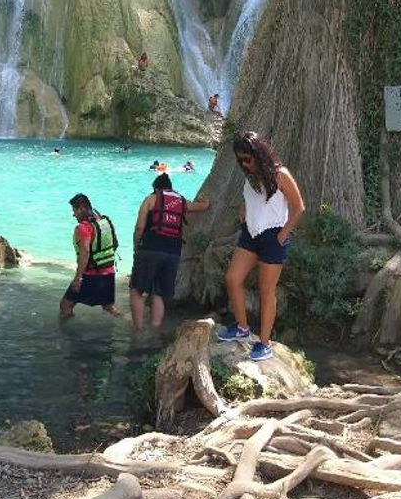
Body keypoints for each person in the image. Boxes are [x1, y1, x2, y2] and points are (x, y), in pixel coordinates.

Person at [216, 131, 305, 361]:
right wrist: (244, 210)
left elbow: (299, 207)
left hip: (274, 236)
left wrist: (283, 234)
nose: (244, 164)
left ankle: (264, 343)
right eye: (241, 160)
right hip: (251, 234)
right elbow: (252, 201)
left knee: (266, 291)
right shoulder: (250, 177)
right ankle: (242, 328)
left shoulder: (280, 174)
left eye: (248, 158)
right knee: (232, 279)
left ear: (258, 154)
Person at [130, 173, 210, 329]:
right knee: (158, 293)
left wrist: (136, 245)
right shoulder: (181, 201)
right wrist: (204, 199)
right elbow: (203, 206)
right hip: (172, 254)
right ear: (170, 187)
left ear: (155, 188)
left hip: (150, 249)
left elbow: (140, 227)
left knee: (137, 291)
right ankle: (155, 328)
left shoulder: (150, 199)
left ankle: (138, 330)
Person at [60, 193, 121, 317]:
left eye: (74, 210)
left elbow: (85, 253)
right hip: (109, 272)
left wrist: (78, 278)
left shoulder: (84, 228)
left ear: (82, 209)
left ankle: (66, 335)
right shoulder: (104, 221)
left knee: (65, 305)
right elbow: (115, 244)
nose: (73, 214)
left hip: (91, 275)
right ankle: (132, 325)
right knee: (108, 307)